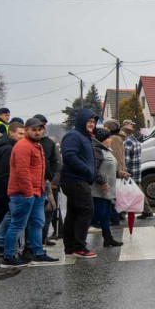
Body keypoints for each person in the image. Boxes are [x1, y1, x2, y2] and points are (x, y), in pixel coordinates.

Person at [2, 118, 57, 266]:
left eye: (40, 129)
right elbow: (22, 172)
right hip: (23, 194)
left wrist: (41, 189)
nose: (38, 132)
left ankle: (37, 252)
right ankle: (8, 256)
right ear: (26, 130)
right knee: (18, 225)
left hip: (37, 192)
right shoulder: (23, 146)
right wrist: (28, 193)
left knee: (37, 223)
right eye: (34, 130)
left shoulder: (36, 145)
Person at [59, 109, 98, 258]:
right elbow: (69, 156)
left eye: (93, 122)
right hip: (75, 179)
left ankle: (70, 247)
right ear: (82, 121)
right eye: (89, 121)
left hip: (78, 179)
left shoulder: (84, 136)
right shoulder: (73, 135)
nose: (91, 124)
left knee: (74, 213)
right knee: (86, 210)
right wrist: (87, 170)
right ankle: (79, 246)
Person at [0, 121, 24, 261]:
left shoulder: (4, 145)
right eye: (20, 133)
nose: (22, 136)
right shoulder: (8, 149)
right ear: (11, 132)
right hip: (2, 192)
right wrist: (10, 193)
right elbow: (5, 174)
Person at [92, 128, 125, 247]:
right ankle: (77, 238)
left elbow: (111, 169)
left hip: (108, 189)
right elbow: (94, 170)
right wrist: (102, 182)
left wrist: (120, 174)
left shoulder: (107, 151)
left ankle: (108, 238)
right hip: (100, 189)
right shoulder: (97, 151)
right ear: (102, 140)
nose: (110, 140)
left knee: (105, 215)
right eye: (108, 138)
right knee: (97, 215)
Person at [32, 115, 61, 244]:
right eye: (38, 127)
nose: (40, 130)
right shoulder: (30, 143)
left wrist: (54, 181)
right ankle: (36, 241)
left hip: (49, 182)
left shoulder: (49, 143)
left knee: (50, 210)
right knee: (37, 215)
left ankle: (44, 237)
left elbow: (57, 162)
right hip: (35, 183)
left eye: (43, 126)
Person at [122, 122, 153, 219]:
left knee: (125, 193)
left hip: (130, 172)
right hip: (137, 171)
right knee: (138, 192)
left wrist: (124, 171)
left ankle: (121, 213)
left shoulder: (127, 143)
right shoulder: (137, 142)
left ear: (125, 133)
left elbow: (126, 160)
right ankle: (147, 211)